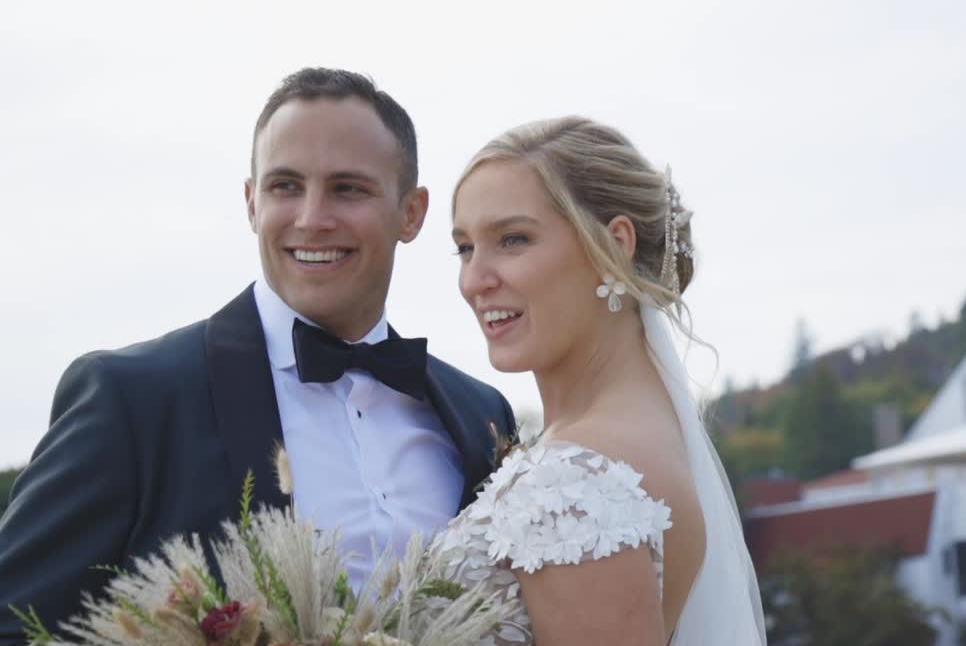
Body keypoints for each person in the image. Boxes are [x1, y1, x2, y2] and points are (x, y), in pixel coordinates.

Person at [0, 68, 517, 643]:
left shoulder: (481, 414)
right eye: (285, 186)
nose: (312, 217)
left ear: (411, 213)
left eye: (348, 188)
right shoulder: (130, 397)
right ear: (251, 202)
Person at [442, 116, 766, 645]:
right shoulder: (639, 442)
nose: (475, 279)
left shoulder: (571, 481)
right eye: (464, 248)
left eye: (513, 239)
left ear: (614, 245)